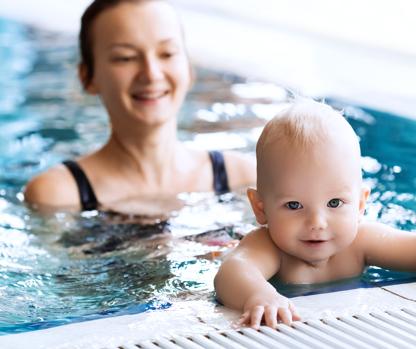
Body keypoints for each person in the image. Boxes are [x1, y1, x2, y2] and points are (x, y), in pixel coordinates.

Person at [214, 98, 416, 329]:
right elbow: (232, 272)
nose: (317, 223)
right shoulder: (267, 246)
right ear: (261, 208)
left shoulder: (360, 241)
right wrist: (260, 295)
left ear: (361, 203)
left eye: (335, 203)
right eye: (294, 206)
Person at [24, 0, 255, 213]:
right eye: (125, 57)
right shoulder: (58, 194)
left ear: (189, 68)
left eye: (167, 53)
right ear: (87, 77)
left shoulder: (242, 178)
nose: (151, 74)